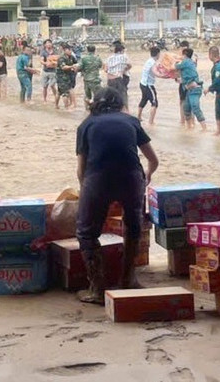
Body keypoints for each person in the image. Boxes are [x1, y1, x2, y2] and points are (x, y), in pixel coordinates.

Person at [75, 87, 160, 304]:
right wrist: (146, 177)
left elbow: (81, 169)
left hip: (98, 178)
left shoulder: (86, 125)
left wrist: (86, 192)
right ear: (120, 102)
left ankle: (97, 288)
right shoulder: (131, 121)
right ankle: (128, 279)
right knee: (133, 226)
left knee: (86, 232)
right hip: (131, 178)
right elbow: (153, 160)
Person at [176, 48, 206, 131]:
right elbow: (184, 77)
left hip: (195, 89)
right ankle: (189, 128)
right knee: (186, 108)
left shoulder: (185, 62)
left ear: (184, 54)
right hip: (190, 89)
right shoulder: (190, 63)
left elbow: (174, 66)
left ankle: (204, 129)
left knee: (195, 107)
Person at [137, 46, 161, 126]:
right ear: (158, 54)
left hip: (142, 83)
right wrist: (167, 76)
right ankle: (151, 122)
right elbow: (156, 73)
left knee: (144, 99)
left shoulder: (149, 61)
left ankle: (139, 117)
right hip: (148, 85)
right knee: (154, 103)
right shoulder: (152, 63)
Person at [105, 42, 131, 108]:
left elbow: (105, 69)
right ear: (121, 50)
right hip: (118, 78)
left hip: (110, 79)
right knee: (123, 95)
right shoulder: (124, 57)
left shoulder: (109, 58)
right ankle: (125, 110)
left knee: (111, 95)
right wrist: (124, 69)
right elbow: (129, 65)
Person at [55, 44, 79, 110]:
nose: (71, 51)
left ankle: (56, 105)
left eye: (71, 50)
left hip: (69, 77)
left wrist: (77, 68)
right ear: (65, 50)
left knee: (59, 91)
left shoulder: (71, 57)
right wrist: (71, 67)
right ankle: (67, 108)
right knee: (65, 93)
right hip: (61, 77)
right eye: (69, 50)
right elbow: (63, 67)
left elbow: (76, 63)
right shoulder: (61, 58)